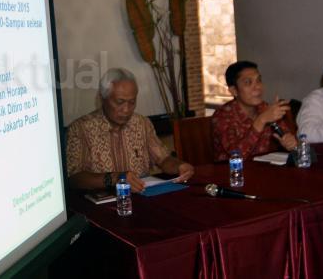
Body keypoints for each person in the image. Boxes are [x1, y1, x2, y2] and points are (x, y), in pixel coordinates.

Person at [66, 68, 194, 194]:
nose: (126, 110)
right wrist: (115, 178)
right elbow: (73, 178)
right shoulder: (81, 129)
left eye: (132, 102)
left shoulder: (142, 123)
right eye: (119, 102)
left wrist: (179, 166)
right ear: (102, 99)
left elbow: (163, 159)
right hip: (104, 202)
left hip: (141, 197)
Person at [212, 61, 298, 161]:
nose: (258, 87)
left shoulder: (264, 108)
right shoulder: (223, 116)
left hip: (262, 167)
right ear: (234, 91)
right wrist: (261, 120)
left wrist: (290, 142)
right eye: (248, 82)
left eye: (259, 80)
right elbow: (236, 155)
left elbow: (286, 135)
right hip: (230, 170)